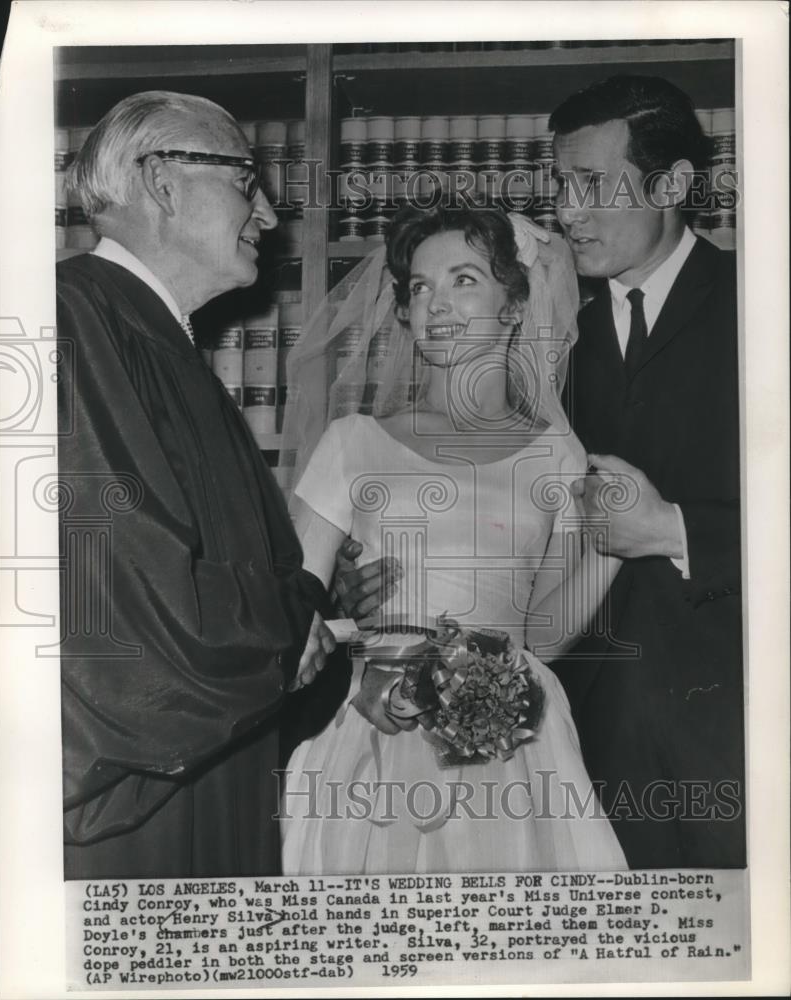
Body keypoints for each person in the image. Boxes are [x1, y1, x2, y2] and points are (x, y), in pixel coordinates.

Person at [278, 204, 627, 873]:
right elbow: (288, 611)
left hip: (515, 739)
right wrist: (352, 630)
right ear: (403, 312)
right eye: (419, 286)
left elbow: (546, 635)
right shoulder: (353, 442)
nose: (435, 303)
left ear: (514, 305)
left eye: (463, 279)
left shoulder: (556, 451)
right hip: (375, 725)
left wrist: (613, 548)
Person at [57, 90, 337, 879]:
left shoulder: (160, 342)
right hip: (136, 798)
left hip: (213, 762)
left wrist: (305, 627)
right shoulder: (72, 322)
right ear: (162, 183)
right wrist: (291, 628)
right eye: (246, 180)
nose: (271, 214)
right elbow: (122, 596)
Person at [548, 75, 744, 868]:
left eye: (591, 184)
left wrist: (671, 528)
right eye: (559, 184)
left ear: (671, 185)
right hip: (580, 742)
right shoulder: (554, 326)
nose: (566, 211)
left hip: (738, 731)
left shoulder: (762, 305)